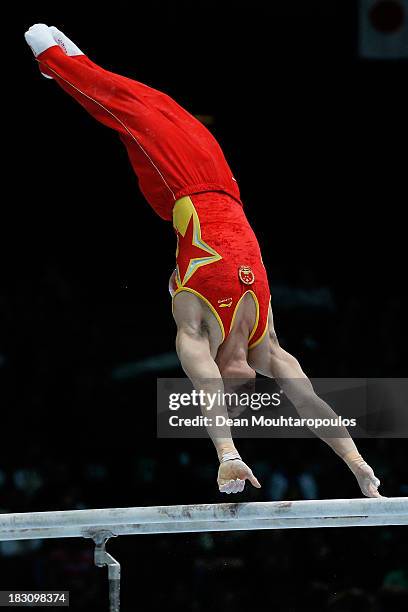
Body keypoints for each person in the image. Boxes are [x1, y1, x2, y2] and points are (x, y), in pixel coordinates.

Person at [25, 24, 382, 497]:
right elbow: (312, 404)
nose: (240, 393)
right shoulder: (267, 345)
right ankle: (78, 64)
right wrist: (356, 462)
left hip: (181, 186)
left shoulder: (194, 330)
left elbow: (207, 392)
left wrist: (228, 455)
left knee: (130, 112)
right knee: (161, 106)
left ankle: (53, 60)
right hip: (226, 189)